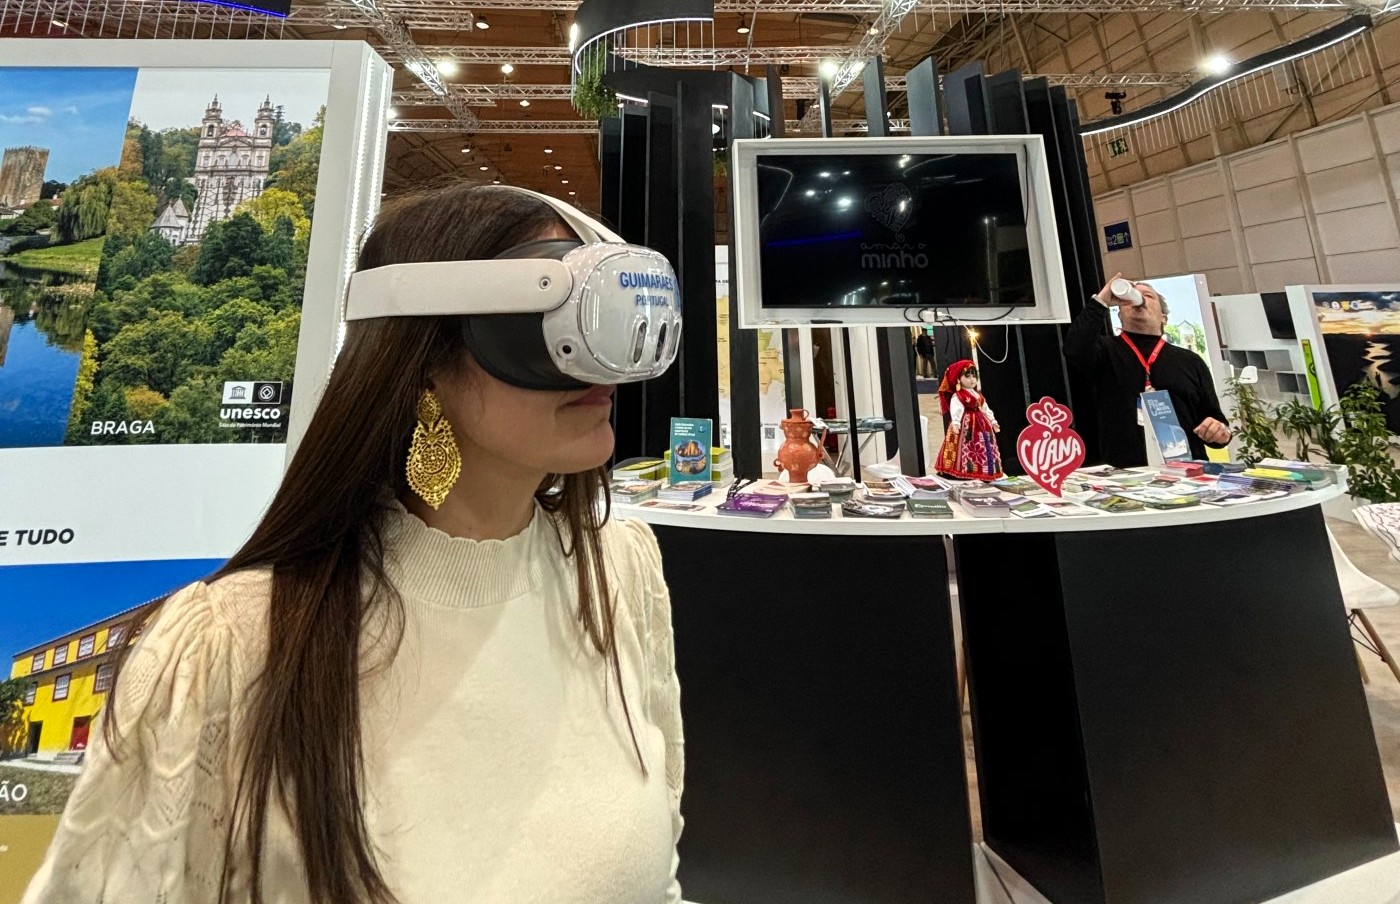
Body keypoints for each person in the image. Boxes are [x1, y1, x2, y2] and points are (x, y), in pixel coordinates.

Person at [21, 185, 685, 904]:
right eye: (552, 321)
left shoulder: (619, 573)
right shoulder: (233, 650)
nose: (599, 367)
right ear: (424, 358)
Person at [1065, 273, 1231, 467]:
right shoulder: (1105, 351)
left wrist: (1218, 431)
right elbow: (1074, 347)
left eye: (1149, 296)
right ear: (1119, 315)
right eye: (1131, 297)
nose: (1139, 299)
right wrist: (1102, 300)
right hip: (1127, 473)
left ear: (1164, 318)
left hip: (1187, 471)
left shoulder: (1190, 361)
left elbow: (1216, 422)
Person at [935, 359, 1003, 480]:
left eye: (974, 376)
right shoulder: (959, 395)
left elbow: (985, 408)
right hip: (966, 424)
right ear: (959, 379)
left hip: (981, 423)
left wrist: (993, 421)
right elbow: (956, 409)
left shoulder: (978, 395)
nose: (972, 379)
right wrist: (956, 422)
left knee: (983, 445)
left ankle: (984, 471)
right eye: (968, 376)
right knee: (965, 445)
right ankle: (961, 470)